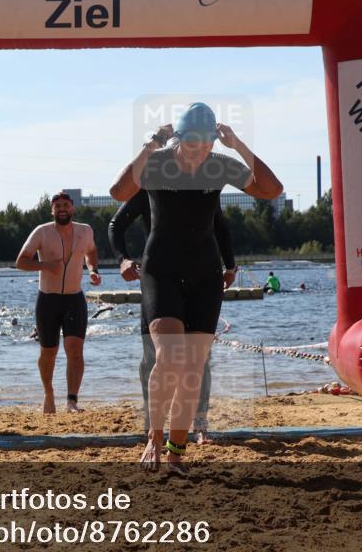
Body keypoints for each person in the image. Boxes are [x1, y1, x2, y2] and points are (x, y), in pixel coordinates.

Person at [110, 102, 282, 471]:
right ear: (179, 139)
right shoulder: (157, 163)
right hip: (161, 271)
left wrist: (238, 146)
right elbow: (119, 192)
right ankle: (154, 437)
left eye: (206, 145)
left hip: (205, 274)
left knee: (193, 367)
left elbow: (272, 189)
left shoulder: (220, 164)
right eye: (192, 145)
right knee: (168, 357)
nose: (198, 153)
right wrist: (151, 144)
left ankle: (176, 451)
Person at [108, 188, 237, 445]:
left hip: (200, 276)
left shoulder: (201, 186)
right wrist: (123, 259)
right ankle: (152, 424)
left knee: (198, 359)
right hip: (160, 278)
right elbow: (116, 225)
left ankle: (199, 424)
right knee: (154, 357)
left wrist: (230, 264)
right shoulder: (150, 186)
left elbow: (220, 225)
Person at [16, 191, 101, 414]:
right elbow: (21, 262)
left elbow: (91, 252)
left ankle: (72, 401)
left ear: (72, 208)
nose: (62, 209)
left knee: (75, 350)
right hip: (48, 300)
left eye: (65, 205)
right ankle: (49, 393)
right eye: (58, 206)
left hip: (74, 298)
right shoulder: (42, 232)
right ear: (52, 210)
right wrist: (46, 266)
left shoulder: (85, 231)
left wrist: (93, 270)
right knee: (48, 353)